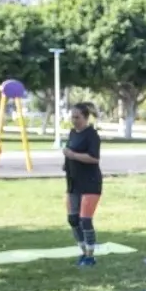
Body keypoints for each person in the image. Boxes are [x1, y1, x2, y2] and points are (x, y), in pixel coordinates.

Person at [62, 102, 103, 266]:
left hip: (90, 183)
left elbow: (94, 158)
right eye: (72, 117)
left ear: (85, 118)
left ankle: (90, 255)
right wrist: (67, 163)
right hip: (73, 182)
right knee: (73, 219)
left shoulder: (92, 135)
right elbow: (70, 153)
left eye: (77, 117)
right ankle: (82, 250)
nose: (74, 120)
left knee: (85, 219)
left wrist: (73, 155)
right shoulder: (72, 133)